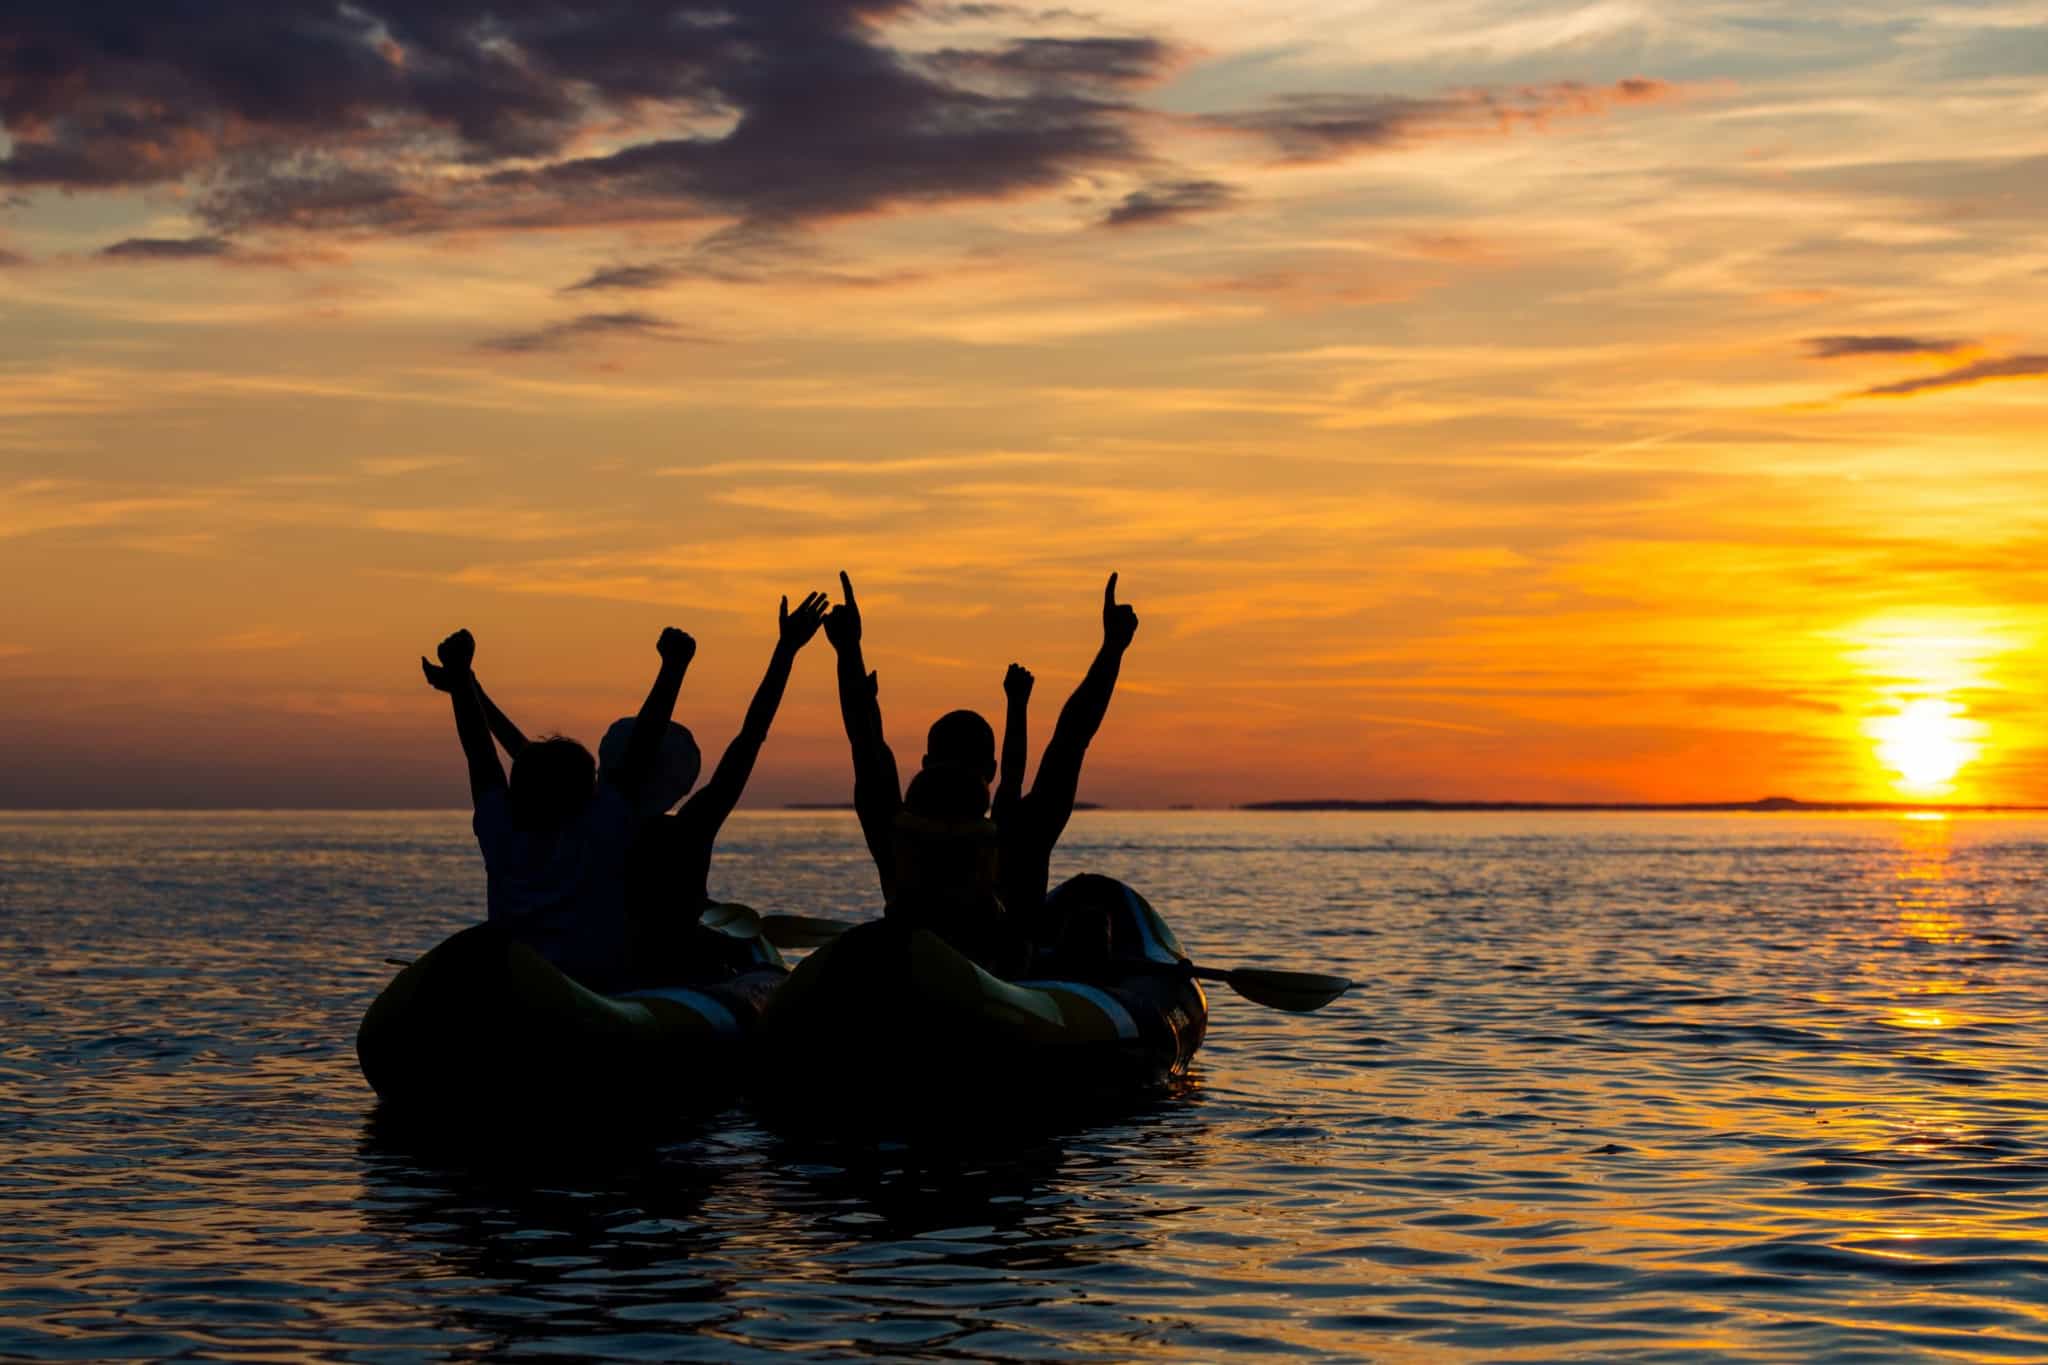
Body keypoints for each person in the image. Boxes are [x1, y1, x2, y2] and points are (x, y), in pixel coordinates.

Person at [426, 593, 831, 985]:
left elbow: (487, 757)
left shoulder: (508, 828)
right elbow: (747, 740)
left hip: (531, 983)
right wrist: (779, 652)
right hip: (612, 987)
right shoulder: (616, 827)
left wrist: (465, 684)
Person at [824, 571, 1139, 954]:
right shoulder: (1021, 835)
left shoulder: (891, 827)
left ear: (925, 765)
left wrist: (847, 651)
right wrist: (1113, 648)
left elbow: (866, 745)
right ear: (988, 772)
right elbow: (1070, 741)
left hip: (919, 972)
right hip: (1010, 983)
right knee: (1089, 920)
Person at [430, 625, 690, 991]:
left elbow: (480, 753)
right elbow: (641, 749)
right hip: (594, 993)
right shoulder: (602, 826)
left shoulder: (501, 829)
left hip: (522, 989)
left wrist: (462, 683)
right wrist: (674, 667)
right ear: (588, 791)